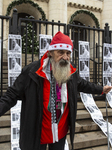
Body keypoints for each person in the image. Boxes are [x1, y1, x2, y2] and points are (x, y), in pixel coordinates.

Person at [0, 31, 112, 150]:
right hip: (37, 132)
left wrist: (101, 89)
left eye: (68, 53)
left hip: (60, 131)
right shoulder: (32, 71)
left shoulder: (71, 72)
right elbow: (11, 94)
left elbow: (83, 84)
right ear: (51, 53)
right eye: (61, 52)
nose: (65, 57)